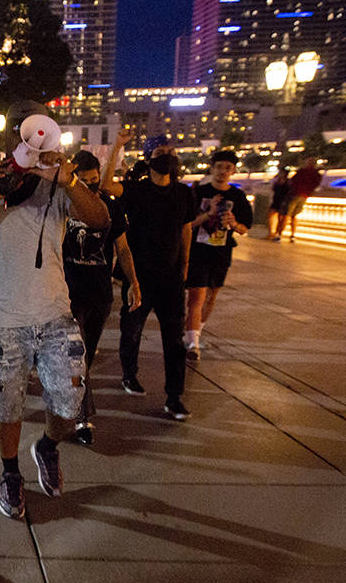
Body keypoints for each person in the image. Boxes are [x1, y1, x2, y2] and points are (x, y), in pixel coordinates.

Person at [0, 114, 109, 519]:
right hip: (4, 321)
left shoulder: (56, 189)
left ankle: (48, 447)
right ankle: (10, 472)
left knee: (70, 405)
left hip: (56, 316)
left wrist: (69, 178)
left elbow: (100, 220)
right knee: (7, 409)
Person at [101, 131, 197, 420]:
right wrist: (117, 147)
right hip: (138, 279)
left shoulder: (184, 193)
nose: (167, 157)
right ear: (148, 158)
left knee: (174, 341)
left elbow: (186, 230)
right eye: (159, 153)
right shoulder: (135, 190)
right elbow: (106, 186)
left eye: (170, 151)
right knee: (132, 332)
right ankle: (129, 374)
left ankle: (174, 397)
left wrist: (185, 268)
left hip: (171, 280)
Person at [62, 150, 142, 445]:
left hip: (100, 295)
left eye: (95, 182)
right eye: (84, 183)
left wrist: (133, 282)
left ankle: (70, 398)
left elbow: (122, 249)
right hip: (68, 295)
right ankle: (82, 417)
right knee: (77, 358)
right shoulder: (64, 205)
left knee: (86, 358)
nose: (92, 188)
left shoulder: (111, 207)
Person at [184, 150, 252, 360]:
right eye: (219, 167)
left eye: (228, 168)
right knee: (196, 296)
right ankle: (192, 344)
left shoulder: (238, 197)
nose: (223, 171)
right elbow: (187, 224)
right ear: (212, 168)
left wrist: (233, 223)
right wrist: (208, 214)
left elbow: (244, 229)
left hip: (221, 252)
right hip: (198, 250)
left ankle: (195, 332)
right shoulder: (197, 191)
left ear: (233, 171)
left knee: (212, 296)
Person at [273, 157, 322, 242]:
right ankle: (292, 235)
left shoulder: (302, 172)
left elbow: (292, 182)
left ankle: (279, 235)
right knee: (294, 216)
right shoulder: (317, 174)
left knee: (285, 215)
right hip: (304, 196)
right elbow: (315, 185)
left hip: (294, 194)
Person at [266, 165, 291, 239]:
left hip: (283, 201)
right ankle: (271, 232)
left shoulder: (288, 182)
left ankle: (278, 233)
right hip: (276, 200)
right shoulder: (277, 181)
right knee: (270, 216)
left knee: (281, 218)